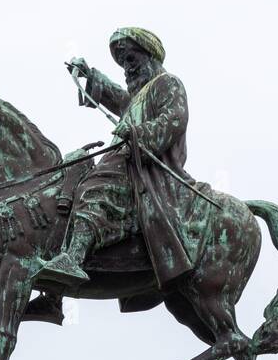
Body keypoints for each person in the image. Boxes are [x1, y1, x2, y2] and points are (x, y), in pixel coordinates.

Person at [40, 27, 195, 290]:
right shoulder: (137, 98)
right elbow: (119, 98)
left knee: (97, 185)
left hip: (147, 167)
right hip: (125, 160)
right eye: (123, 64)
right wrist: (89, 74)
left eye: (131, 60)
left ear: (150, 57)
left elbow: (174, 121)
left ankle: (74, 259)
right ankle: (53, 289)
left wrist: (137, 133)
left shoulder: (168, 84)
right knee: (74, 169)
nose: (127, 68)